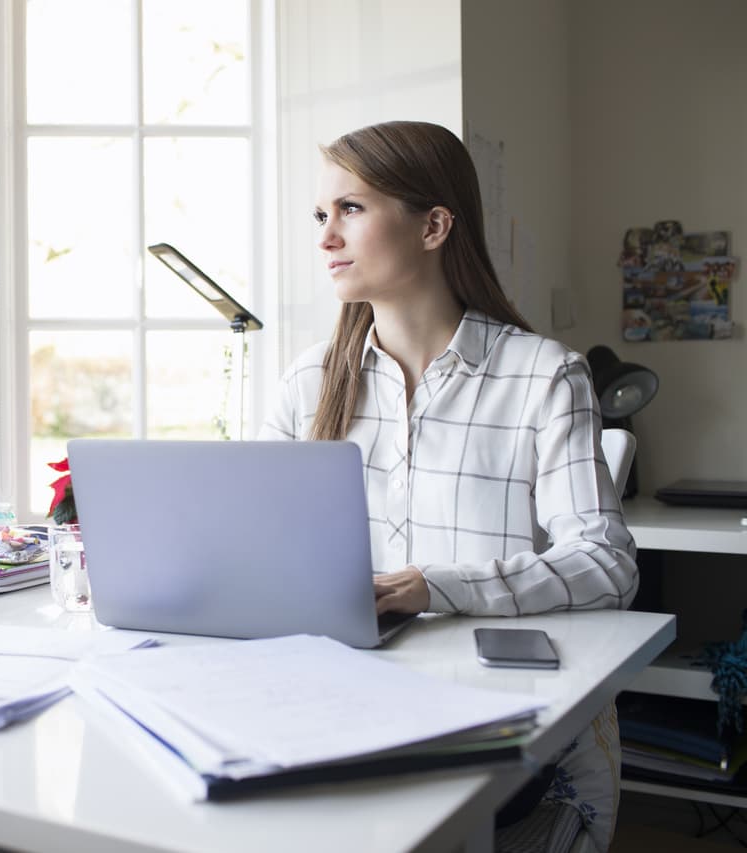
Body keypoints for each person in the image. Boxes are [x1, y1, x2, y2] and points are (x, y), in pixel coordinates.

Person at [259, 120, 637, 853]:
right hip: (341, 710)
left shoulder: (543, 375)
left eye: (351, 209)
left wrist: (435, 586)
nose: (325, 237)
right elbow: (260, 550)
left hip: (498, 727)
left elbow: (607, 562)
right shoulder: (307, 382)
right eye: (319, 215)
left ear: (433, 225)